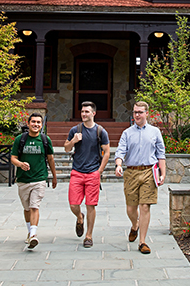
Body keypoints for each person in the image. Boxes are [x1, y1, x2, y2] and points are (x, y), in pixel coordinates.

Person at [114, 100, 166, 255]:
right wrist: (118, 165)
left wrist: (163, 173)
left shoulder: (155, 132)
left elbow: (160, 154)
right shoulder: (127, 133)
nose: (137, 115)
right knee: (131, 208)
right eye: (135, 112)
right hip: (131, 172)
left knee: (145, 206)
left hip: (149, 172)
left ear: (147, 113)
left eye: (140, 112)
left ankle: (142, 241)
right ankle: (135, 225)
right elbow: (120, 152)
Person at [64, 101, 111, 248]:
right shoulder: (75, 130)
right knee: (73, 204)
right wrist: (73, 141)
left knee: (91, 205)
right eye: (82, 111)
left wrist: (100, 171)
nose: (84, 114)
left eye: (87, 112)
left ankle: (89, 236)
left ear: (93, 113)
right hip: (77, 172)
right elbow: (66, 148)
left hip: (92, 173)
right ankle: (79, 217)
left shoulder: (101, 131)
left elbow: (107, 152)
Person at [11, 113, 57, 250]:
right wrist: (20, 164)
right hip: (23, 179)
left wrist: (54, 176)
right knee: (26, 209)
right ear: (28, 123)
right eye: (33, 122)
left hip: (39, 178)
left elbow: (50, 159)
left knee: (34, 206)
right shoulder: (20, 139)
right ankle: (29, 231)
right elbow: (13, 158)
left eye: (38, 122)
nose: (36, 124)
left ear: (41, 125)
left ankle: (33, 235)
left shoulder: (45, 140)